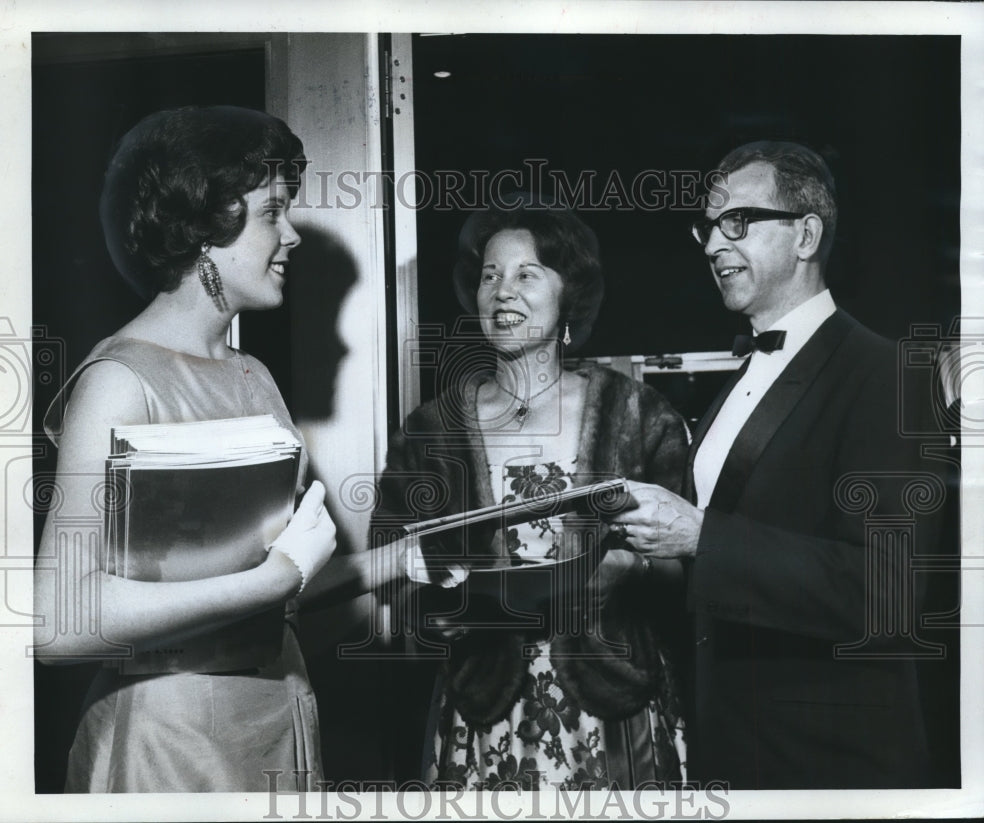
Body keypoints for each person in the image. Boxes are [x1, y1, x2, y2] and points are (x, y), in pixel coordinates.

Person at [607, 141, 944, 789]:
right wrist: (633, 564)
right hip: (731, 751)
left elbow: (889, 590)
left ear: (806, 235)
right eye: (707, 227)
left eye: (737, 222)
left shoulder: (888, 376)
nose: (710, 245)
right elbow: (720, 571)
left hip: (831, 765)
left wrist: (700, 534)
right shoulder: (737, 383)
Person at [34, 106, 338, 793]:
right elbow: (56, 622)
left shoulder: (252, 375)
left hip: (276, 716)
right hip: (170, 747)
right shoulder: (119, 381)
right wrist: (272, 580)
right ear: (206, 225)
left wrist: (415, 555)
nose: (291, 235)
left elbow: (289, 580)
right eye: (273, 212)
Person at [370, 202, 691, 789]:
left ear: (569, 294)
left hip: (611, 704)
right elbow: (392, 561)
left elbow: (684, 565)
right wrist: (436, 611)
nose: (502, 291)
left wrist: (628, 569)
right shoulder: (430, 431)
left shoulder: (638, 415)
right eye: (490, 275)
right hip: (485, 711)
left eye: (527, 273)